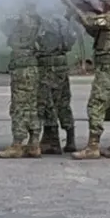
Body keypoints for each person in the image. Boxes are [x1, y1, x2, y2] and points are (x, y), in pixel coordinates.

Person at [52, 0, 110, 160]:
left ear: (108, 4)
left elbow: (89, 20)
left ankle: (93, 146)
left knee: (96, 105)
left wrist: (69, 3)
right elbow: (94, 30)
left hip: (108, 69)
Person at [0, 0, 42, 158]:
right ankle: (34, 143)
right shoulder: (37, 19)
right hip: (32, 66)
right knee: (32, 106)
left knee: (19, 108)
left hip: (21, 67)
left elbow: (3, 25)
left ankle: (17, 144)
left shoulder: (22, 19)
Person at [36, 10, 78, 154]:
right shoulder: (63, 21)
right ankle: (70, 139)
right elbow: (72, 40)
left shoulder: (42, 20)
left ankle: (52, 140)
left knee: (48, 103)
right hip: (62, 64)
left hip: (47, 65)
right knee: (63, 103)